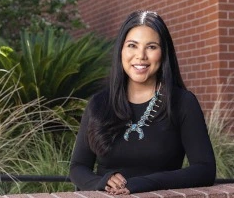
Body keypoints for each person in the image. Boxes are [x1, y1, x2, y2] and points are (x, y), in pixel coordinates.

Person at [69, 10, 216, 195]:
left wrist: (145, 183)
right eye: (132, 45)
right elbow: (78, 167)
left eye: (151, 47)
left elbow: (205, 170)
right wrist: (102, 182)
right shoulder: (99, 104)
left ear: (163, 53)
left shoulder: (181, 102)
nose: (141, 56)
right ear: (121, 50)